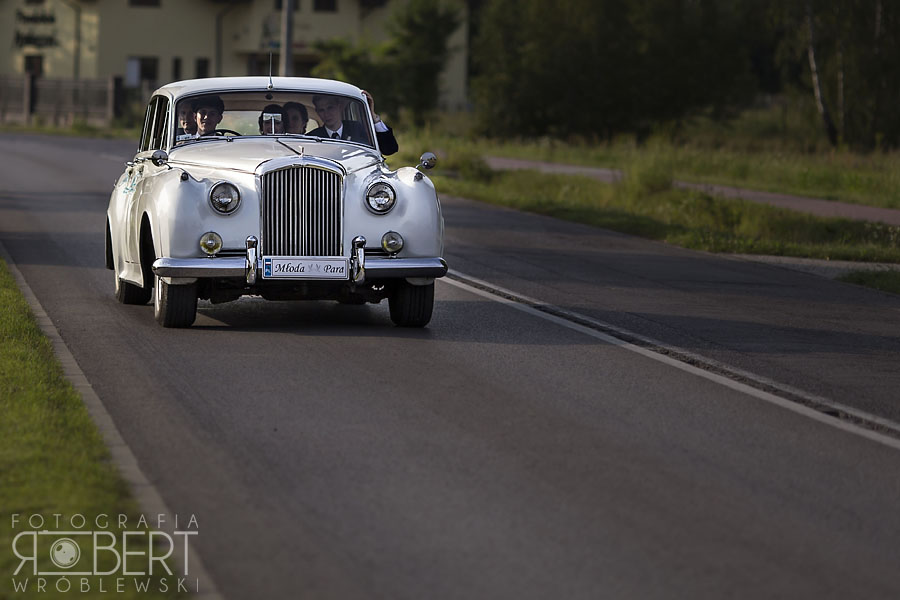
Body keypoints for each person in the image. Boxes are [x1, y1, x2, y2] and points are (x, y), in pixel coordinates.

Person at [362, 90, 398, 156]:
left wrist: (372, 115)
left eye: (337, 105)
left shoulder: (356, 128)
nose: (336, 109)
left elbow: (390, 149)